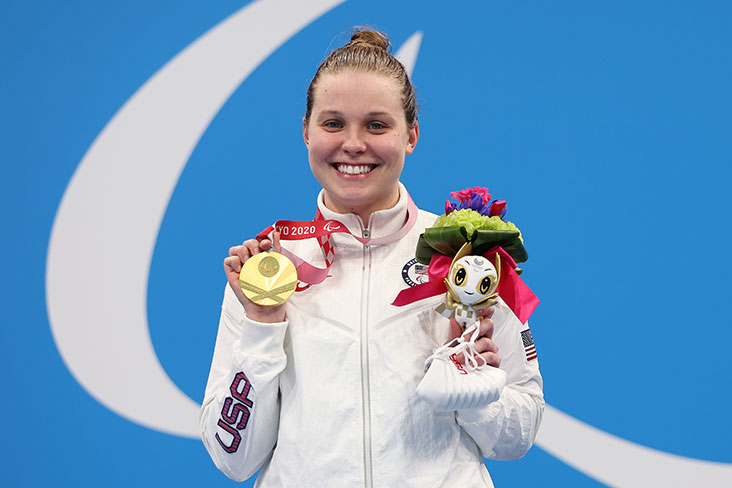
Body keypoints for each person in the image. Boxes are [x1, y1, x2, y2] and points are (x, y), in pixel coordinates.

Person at [200, 28, 544, 487]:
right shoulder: (271, 267)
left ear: (411, 136)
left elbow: (518, 437)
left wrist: (473, 389)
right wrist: (264, 324)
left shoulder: (469, 255)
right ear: (306, 132)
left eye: (377, 125)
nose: (354, 144)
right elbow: (232, 458)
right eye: (333, 123)